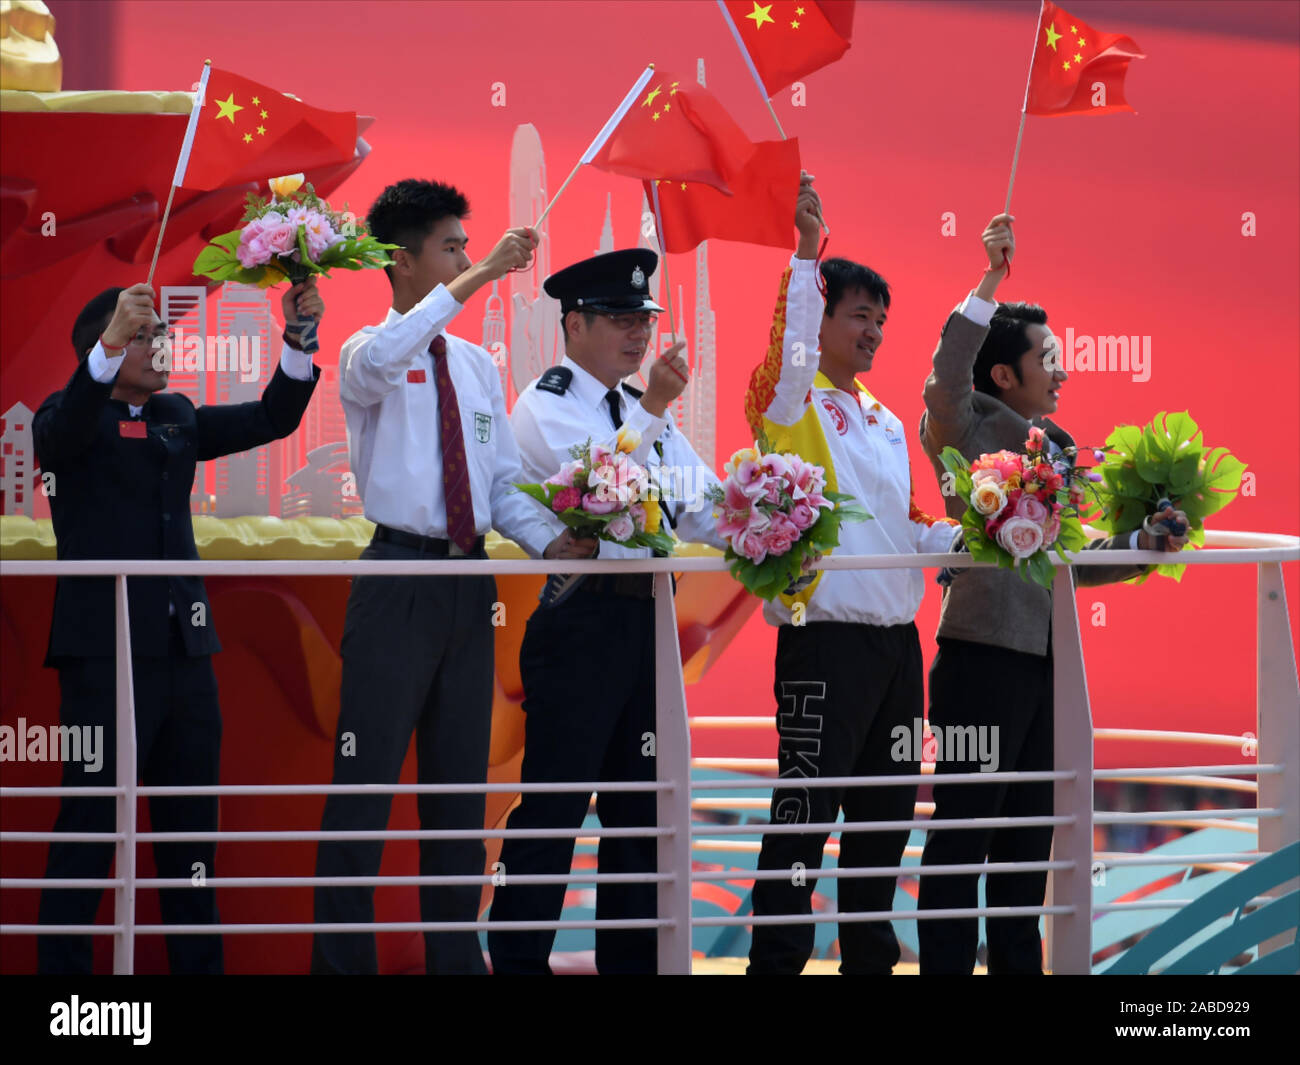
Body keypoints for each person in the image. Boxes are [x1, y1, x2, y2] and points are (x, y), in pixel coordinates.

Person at [311, 179, 587, 976]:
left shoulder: (473, 364)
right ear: (401, 261)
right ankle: (341, 965)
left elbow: (500, 485)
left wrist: (550, 542)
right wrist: (481, 278)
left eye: (468, 247)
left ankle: (456, 962)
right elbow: (392, 355)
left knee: (458, 798)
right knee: (362, 789)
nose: (468, 258)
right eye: (452, 247)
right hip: (397, 576)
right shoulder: (368, 351)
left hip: (472, 586)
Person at [916, 213, 1190, 974]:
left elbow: (1072, 558)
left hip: (1046, 661)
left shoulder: (1056, 447)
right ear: (1004, 373)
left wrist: (1145, 545)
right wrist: (990, 284)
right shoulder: (967, 424)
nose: (1062, 371)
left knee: (1026, 844)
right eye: (1049, 357)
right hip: (978, 655)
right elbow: (944, 380)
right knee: (962, 834)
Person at [34, 278, 322, 973]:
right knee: (89, 826)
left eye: (160, 333)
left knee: (191, 839)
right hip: (103, 657)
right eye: (141, 334)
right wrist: (107, 346)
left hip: (186, 655)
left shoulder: (177, 414)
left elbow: (271, 419)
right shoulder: (66, 417)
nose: (157, 344)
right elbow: (59, 436)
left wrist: (299, 338)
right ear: (99, 349)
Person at [741, 175, 962, 975]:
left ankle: (868, 961)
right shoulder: (787, 401)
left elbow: (907, 521)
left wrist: (986, 532)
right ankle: (777, 962)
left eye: (881, 319)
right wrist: (807, 255)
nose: (873, 331)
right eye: (858, 315)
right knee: (802, 817)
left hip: (898, 650)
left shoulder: (886, 418)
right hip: (822, 645)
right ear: (822, 319)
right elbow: (789, 351)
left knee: (884, 822)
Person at [487, 248, 722, 975]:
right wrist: (652, 409)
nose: (638, 332)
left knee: (639, 818)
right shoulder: (546, 404)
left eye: (643, 317)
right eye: (620, 318)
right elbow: (605, 495)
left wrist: (771, 521)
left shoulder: (638, 407)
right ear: (576, 321)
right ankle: (519, 963)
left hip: (648, 621)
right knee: (553, 810)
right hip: (582, 619)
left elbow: (695, 502)